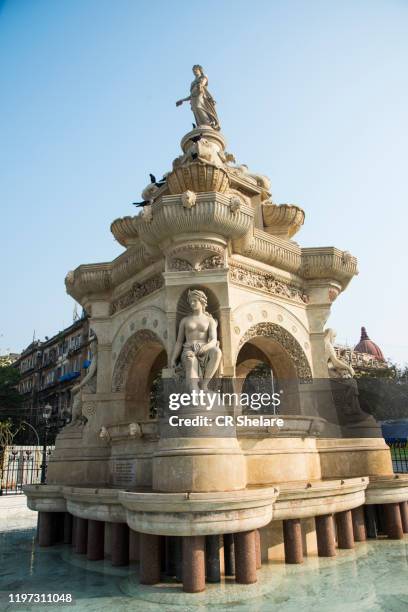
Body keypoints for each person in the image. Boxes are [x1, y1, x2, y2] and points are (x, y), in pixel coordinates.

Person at [170, 289, 222, 392]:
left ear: (202, 301)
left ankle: (204, 385)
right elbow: (179, 342)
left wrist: (205, 347)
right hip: (189, 349)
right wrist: (173, 358)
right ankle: (194, 392)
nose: (192, 304)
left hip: (205, 349)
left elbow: (213, 339)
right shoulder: (185, 320)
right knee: (191, 359)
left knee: (217, 352)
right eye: (190, 302)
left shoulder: (210, 320)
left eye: (195, 301)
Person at [176, 65, 220, 131]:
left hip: (201, 95)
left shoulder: (203, 77)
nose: (194, 72)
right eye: (193, 71)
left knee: (198, 106)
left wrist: (200, 85)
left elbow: (202, 84)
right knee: (196, 110)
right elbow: (191, 95)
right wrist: (182, 100)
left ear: (200, 70)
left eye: (195, 70)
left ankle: (208, 124)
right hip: (193, 98)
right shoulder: (192, 83)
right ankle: (201, 125)